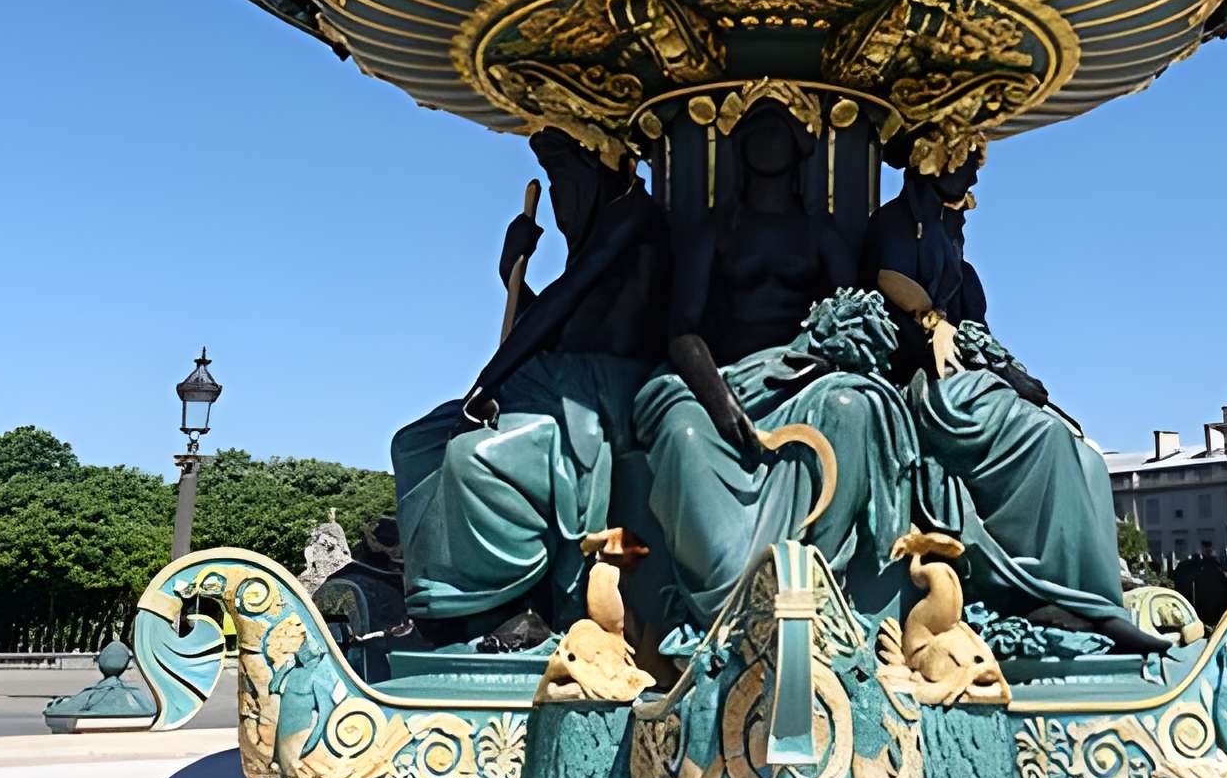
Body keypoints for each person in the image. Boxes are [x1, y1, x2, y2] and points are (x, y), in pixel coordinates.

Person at [862, 146, 1162, 658]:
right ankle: (1049, 586)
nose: (976, 170)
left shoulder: (954, 249)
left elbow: (978, 334)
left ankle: (1093, 592)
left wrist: (1011, 372)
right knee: (1044, 440)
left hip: (964, 380)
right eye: (966, 157)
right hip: (927, 390)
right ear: (933, 158)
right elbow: (897, 324)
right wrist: (978, 358)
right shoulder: (894, 228)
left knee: (1081, 452)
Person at [632, 99, 916, 627]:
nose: (766, 141)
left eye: (777, 131)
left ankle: (820, 585)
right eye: (755, 132)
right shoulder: (713, 232)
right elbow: (681, 330)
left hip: (803, 379)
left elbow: (856, 320)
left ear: (800, 149)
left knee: (853, 408)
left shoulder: (823, 235)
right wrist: (719, 403)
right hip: (718, 378)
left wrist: (822, 362)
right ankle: (727, 609)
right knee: (683, 437)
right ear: (737, 151)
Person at [392, 128, 669, 635]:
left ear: (611, 174)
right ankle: (440, 600)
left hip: (601, 392)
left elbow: (563, 306)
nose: (560, 204)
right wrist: (510, 275)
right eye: (554, 188)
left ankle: (513, 602)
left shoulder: (632, 218)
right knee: (415, 443)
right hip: (553, 379)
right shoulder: (591, 241)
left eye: (568, 186)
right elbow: (557, 319)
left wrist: (487, 381)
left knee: (473, 457)